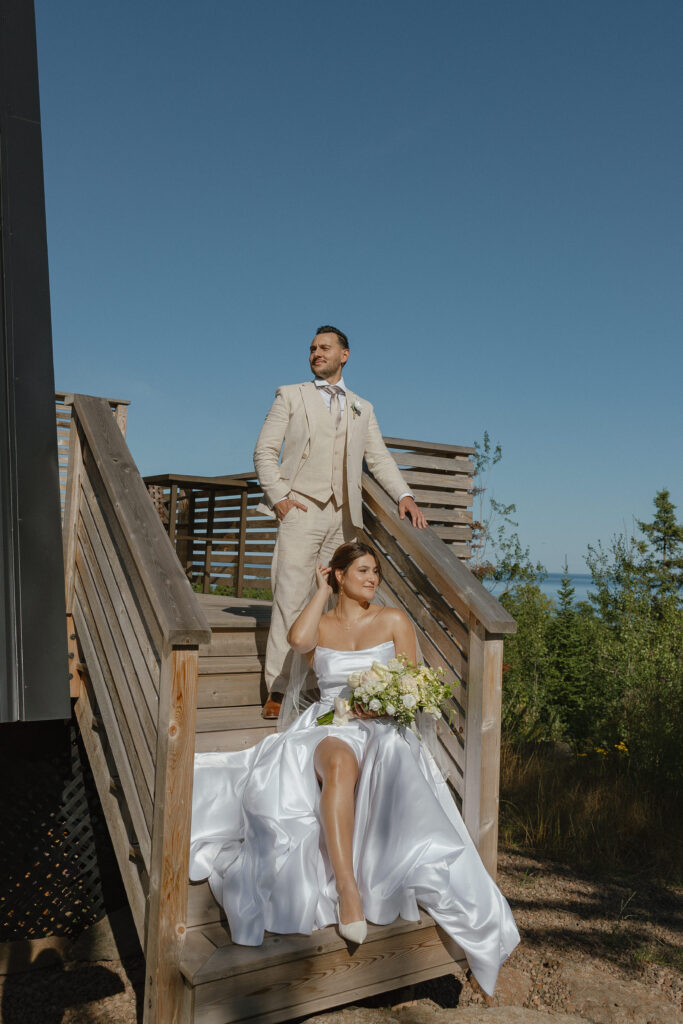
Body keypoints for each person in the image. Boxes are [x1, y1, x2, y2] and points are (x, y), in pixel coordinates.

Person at [190, 541, 520, 996]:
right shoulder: (321, 625)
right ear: (339, 575)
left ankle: (385, 871)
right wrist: (320, 591)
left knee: (388, 755)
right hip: (328, 724)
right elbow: (298, 641)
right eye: (362, 570)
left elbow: (414, 684)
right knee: (340, 765)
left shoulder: (393, 621)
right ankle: (348, 890)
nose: (373, 578)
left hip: (383, 725)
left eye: (376, 572)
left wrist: (382, 704)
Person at [253, 325, 427, 719]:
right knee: (291, 595)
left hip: (344, 516)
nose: (316, 353)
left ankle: (319, 684)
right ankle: (279, 688)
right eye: (312, 348)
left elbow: (379, 458)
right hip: (301, 508)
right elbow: (264, 451)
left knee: (336, 598)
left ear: (344, 355)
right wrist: (280, 499)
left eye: (325, 347)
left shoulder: (362, 407)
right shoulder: (290, 395)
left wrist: (404, 495)